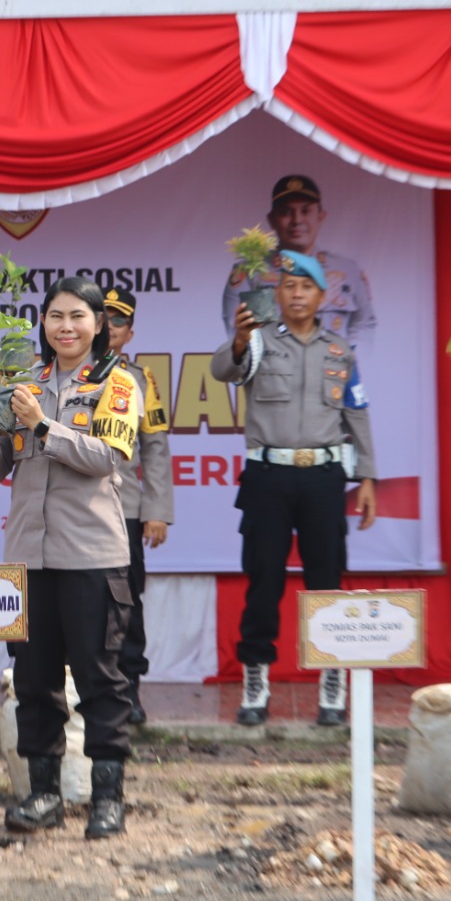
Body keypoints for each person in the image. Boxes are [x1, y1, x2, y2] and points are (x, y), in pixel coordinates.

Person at [0, 276, 143, 841]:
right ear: (42, 324)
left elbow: (104, 457)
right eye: (54, 317)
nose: (65, 327)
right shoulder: (26, 383)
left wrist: (41, 424)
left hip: (91, 552)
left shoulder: (116, 382)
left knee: (100, 679)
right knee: (34, 677)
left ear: (99, 325)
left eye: (77, 317)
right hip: (29, 553)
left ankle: (107, 797)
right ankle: (43, 792)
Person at [211, 250, 378, 727]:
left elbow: (357, 414)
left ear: (323, 296)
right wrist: (240, 339)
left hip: (325, 479)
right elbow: (223, 370)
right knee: (263, 579)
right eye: (289, 286)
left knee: (327, 580)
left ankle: (331, 681)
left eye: (307, 287)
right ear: (278, 293)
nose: (298, 294)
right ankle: (256, 680)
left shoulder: (340, 352)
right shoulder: (259, 341)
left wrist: (366, 476)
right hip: (269, 478)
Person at [102, 287, 173, 725]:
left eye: (118, 321)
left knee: (126, 602)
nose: (109, 328)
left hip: (124, 508)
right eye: (102, 318)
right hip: (72, 512)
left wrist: (157, 510)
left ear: (129, 333)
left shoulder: (141, 380)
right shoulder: (62, 373)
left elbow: (157, 449)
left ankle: (129, 688)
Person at [222, 175, 378, 348]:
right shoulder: (251, 272)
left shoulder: (347, 270)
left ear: (321, 216)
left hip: (333, 371)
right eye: (285, 212)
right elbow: (241, 334)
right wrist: (313, 305)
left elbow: (365, 323)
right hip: (273, 372)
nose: (296, 220)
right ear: (271, 220)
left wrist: (346, 360)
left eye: (305, 211)